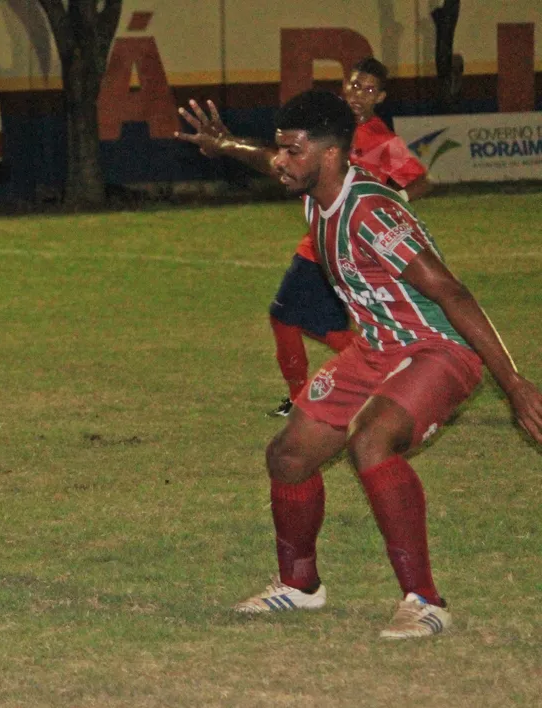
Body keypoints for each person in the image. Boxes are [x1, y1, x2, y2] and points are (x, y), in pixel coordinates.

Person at [177, 89, 542, 638]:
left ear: (329, 156)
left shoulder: (371, 210)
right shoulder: (310, 187)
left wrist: (514, 385)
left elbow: (452, 292)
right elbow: (263, 159)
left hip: (436, 348)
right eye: (280, 150)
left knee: (370, 439)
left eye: (292, 152)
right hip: (376, 348)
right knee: (288, 455)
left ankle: (425, 601)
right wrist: (224, 143)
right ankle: (299, 587)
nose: (279, 160)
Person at [180, 57, 432, 417]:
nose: (360, 94)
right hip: (318, 242)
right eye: (355, 85)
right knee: (304, 321)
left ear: (381, 97)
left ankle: (334, 386)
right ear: (344, 85)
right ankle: (354, 380)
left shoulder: (383, 141)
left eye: (370, 89)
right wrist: (228, 145)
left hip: (345, 248)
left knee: (290, 317)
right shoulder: (323, 124)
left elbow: (420, 181)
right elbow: (275, 159)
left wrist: (388, 203)